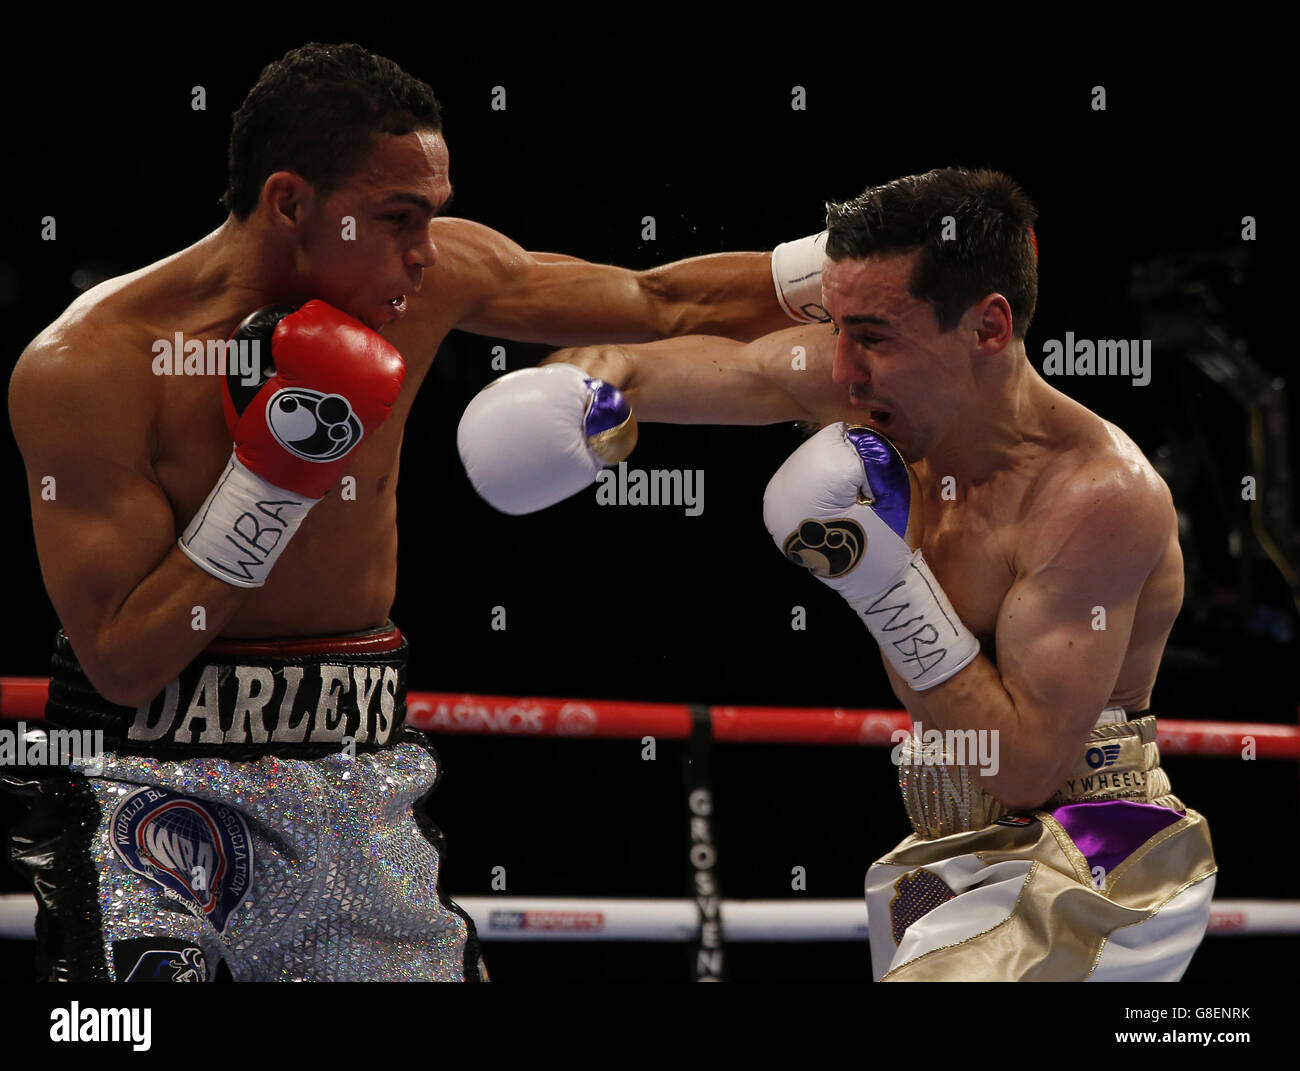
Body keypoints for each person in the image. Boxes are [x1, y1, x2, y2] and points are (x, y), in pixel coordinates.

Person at [4, 42, 813, 982]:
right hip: (147, 792)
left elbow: (659, 298)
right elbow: (125, 659)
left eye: (431, 214)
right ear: (288, 203)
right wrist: (273, 480)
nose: (426, 253)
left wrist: (848, 268)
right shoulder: (88, 366)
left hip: (357, 771)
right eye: (397, 219)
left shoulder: (428, 280)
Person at [466, 167, 1216, 981]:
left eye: (876, 335)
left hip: (1092, 853)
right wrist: (589, 383)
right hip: (946, 850)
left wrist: (881, 577)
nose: (843, 367)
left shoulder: (1096, 496)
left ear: (988, 327)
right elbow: (674, 372)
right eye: (836, 327)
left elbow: (1025, 763)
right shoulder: (866, 391)